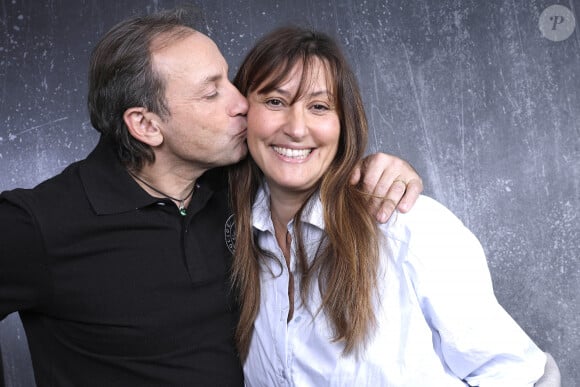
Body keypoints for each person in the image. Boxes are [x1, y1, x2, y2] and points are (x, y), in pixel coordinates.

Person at [0, 7, 424, 387]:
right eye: (212, 92)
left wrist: (378, 169)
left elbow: (306, 152)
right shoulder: (38, 224)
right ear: (146, 125)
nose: (243, 103)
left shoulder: (242, 190)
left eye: (228, 79)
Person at [229, 26, 547, 386]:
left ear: (343, 124)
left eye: (318, 106)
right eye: (275, 102)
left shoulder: (407, 227)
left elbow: (515, 374)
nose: (297, 128)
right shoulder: (230, 238)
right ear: (242, 112)